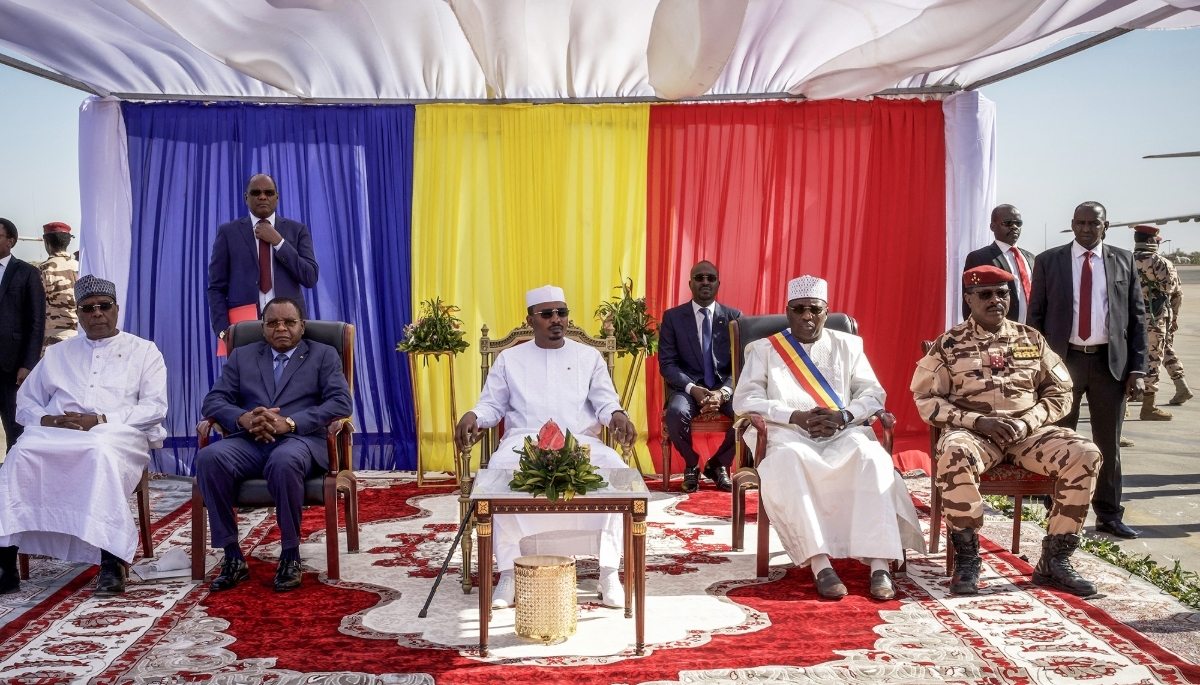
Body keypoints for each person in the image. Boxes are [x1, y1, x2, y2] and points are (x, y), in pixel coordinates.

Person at [913, 265, 1102, 597]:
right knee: (953, 450)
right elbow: (926, 399)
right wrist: (977, 422)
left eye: (1002, 294)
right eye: (985, 294)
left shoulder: (1031, 339)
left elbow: (1060, 393)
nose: (995, 301)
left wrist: (1027, 421)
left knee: (1086, 452)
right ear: (968, 299)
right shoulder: (950, 343)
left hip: (1027, 434)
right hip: (974, 434)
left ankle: (1054, 561)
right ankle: (968, 560)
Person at [732, 275, 923, 601]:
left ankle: (879, 564)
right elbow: (745, 400)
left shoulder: (849, 345)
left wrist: (843, 416)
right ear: (788, 312)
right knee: (787, 461)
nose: (807, 316)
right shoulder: (763, 350)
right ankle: (821, 565)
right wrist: (795, 416)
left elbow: (873, 395)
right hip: (789, 433)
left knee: (873, 458)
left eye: (814, 310)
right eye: (799, 309)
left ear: (826, 311)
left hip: (842, 431)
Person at [454, 285, 638, 609]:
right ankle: (509, 572)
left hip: (579, 444)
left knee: (618, 472)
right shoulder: (509, 359)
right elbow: (491, 406)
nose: (556, 319)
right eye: (547, 314)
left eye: (562, 312)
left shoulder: (589, 357)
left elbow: (606, 401)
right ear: (530, 320)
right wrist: (474, 415)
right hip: (523, 445)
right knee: (496, 471)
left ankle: (609, 571)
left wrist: (618, 415)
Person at [0, 275, 167, 596]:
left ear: (116, 309)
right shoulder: (60, 353)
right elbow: (26, 401)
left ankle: (111, 560)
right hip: (58, 433)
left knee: (97, 449)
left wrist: (101, 419)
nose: (97, 314)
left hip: (118, 433)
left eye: (104, 307)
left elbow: (154, 407)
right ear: (78, 313)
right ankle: (4, 564)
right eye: (88, 308)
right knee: (20, 455)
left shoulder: (144, 351)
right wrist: (46, 417)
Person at [194, 297, 352, 593]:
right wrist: (243, 418)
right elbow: (213, 400)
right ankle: (231, 556)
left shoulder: (323, 354)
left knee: (284, 460)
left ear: (302, 327)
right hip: (250, 440)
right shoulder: (242, 355)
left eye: (289, 322)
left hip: (300, 440)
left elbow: (341, 402)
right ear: (263, 328)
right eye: (273, 323)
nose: (282, 328)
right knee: (209, 458)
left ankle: (290, 554)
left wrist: (289, 423)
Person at [1028, 201, 1146, 540]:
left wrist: (1138, 370)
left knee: (1107, 443)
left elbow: (1137, 319)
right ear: (1072, 224)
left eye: (1093, 223)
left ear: (1105, 226)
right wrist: (1036, 368)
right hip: (1064, 363)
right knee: (1059, 440)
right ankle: (1056, 509)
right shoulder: (1050, 261)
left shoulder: (1124, 261)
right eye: (1080, 222)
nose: (1086, 229)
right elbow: (1035, 318)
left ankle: (1108, 514)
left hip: (1110, 365)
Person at [658, 261, 742, 492]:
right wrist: (691, 388)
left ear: (718, 284)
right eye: (699, 277)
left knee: (748, 413)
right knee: (675, 413)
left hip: (723, 388)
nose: (705, 282)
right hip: (687, 388)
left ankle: (717, 464)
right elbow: (667, 364)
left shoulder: (735, 317)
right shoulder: (673, 317)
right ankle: (692, 465)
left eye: (710, 278)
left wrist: (723, 392)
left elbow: (741, 364)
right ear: (690, 283)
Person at [207, 174, 319, 340]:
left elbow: (309, 277)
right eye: (255, 193)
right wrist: (223, 330)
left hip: (288, 327)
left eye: (268, 192)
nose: (262, 197)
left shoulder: (297, 230)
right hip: (244, 328)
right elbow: (216, 287)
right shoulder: (228, 233)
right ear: (246, 198)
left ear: (277, 197)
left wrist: (278, 242)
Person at [0, 218, 46, 450]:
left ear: (11, 241)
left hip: (11, 365)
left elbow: (37, 322)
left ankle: (13, 479)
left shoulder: (26, 272)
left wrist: (28, 364)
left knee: (16, 428)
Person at [1133, 225, 1188, 418]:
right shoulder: (1161, 263)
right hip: (1155, 318)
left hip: (1128, 318)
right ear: (1151, 241)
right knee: (1153, 359)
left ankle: (1124, 407)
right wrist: (1174, 317)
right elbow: (1174, 292)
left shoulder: (1123, 260)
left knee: (1127, 359)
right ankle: (1148, 407)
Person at [962, 204, 1036, 324]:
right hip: (997, 334)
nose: (1014, 227)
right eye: (1007, 223)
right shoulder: (980, 257)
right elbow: (970, 301)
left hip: (1029, 334)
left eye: (1018, 223)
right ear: (992, 226)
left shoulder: (1031, 258)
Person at [39, 221, 79, 354]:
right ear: (68, 242)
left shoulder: (43, 270)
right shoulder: (81, 267)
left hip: (51, 342)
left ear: (46, 242)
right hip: (80, 340)